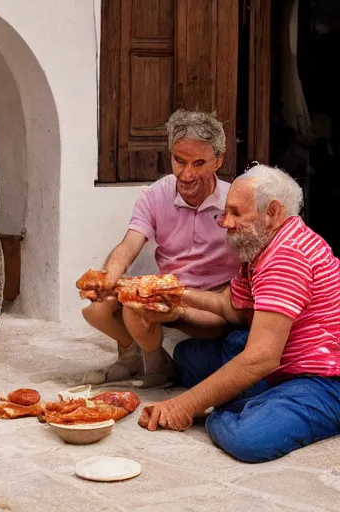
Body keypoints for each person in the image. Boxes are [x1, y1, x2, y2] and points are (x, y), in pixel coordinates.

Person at [140, 164, 340, 463]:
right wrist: (178, 296)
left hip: (321, 378)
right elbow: (231, 307)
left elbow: (261, 357)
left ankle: (232, 408)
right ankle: (245, 396)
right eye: (226, 211)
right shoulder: (262, 246)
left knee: (248, 439)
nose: (225, 222)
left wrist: (186, 406)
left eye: (235, 213)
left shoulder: (287, 256)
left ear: (272, 212)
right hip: (279, 361)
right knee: (187, 356)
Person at [80, 110, 242, 387]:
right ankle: (133, 358)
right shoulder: (156, 194)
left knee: (136, 308)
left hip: (211, 301)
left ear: (218, 161)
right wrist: (108, 278)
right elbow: (129, 245)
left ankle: (156, 369)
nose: (187, 174)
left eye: (199, 163)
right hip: (166, 292)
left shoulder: (235, 200)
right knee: (96, 309)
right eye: (179, 161)